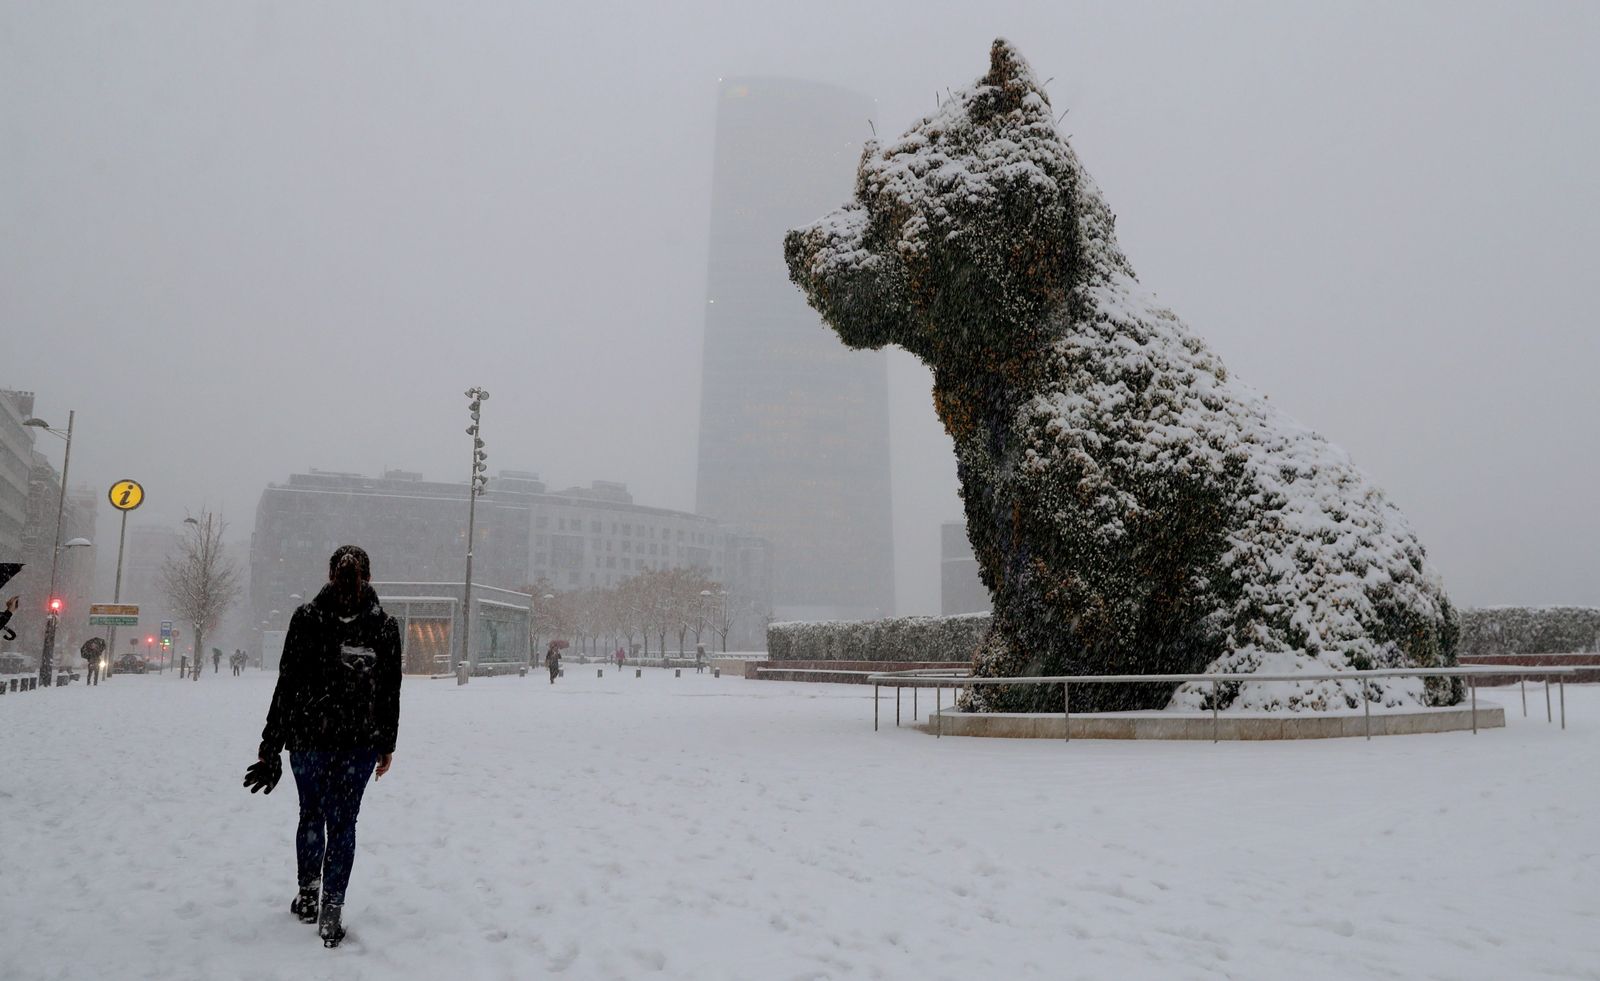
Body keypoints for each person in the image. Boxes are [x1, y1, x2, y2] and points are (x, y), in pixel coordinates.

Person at [251, 545, 401, 948]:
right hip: (358, 744)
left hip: (308, 740)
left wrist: (271, 745)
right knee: (343, 824)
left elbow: (287, 684)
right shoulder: (384, 626)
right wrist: (386, 743)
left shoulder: (306, 619)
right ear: (369, 577)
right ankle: (331, 911)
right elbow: (389, 692)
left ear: (330, 574)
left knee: (312, 815)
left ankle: (308, 894)